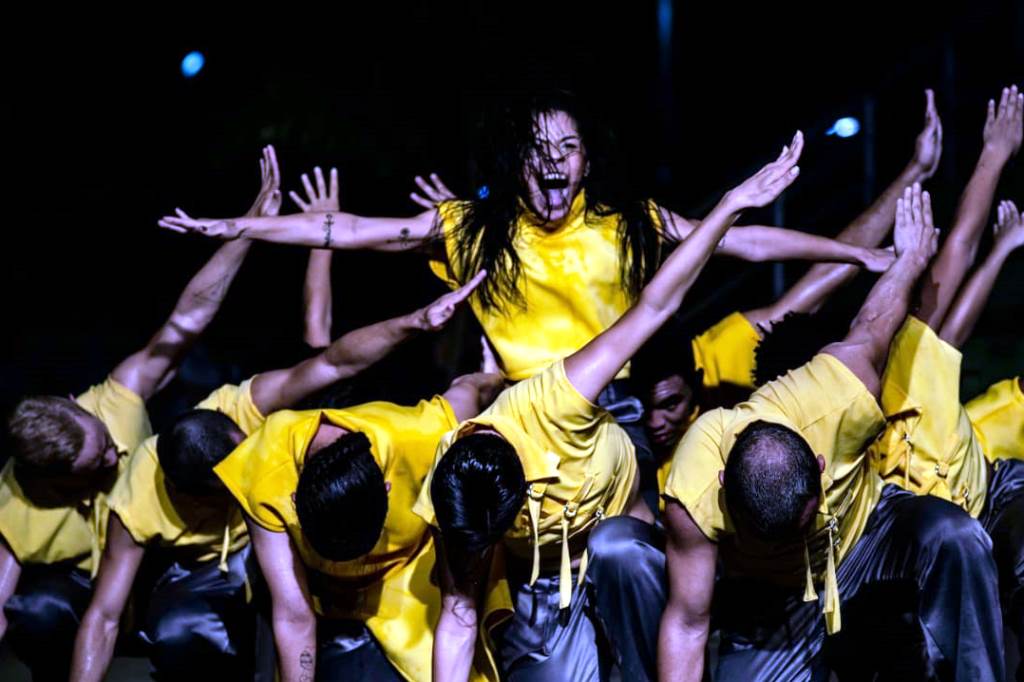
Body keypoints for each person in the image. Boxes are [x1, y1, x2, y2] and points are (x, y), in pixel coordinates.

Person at [158, 93, 892, 521]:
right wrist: (239, 226)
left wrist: (852, 253)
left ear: (584, 161)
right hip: (516, 418)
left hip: (616, 416)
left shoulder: (626, 220)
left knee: (632, 545)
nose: (552, 159)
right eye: (539, 147)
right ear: (519, 161)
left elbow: (743, 243)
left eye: (567, 147)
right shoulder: (473, 229)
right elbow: (346, 231)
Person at [70, 160, 490, 681]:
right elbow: (291, 617)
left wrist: (410, 315)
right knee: (225, 625)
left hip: (377, 526)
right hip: (276, 571)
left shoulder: (282, 413)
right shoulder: (248, 475)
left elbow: (327, 350)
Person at [413, 133, 805, 682]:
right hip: (547, 585)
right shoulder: (457, 497)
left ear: (524, 484)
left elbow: (655, 304)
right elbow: (456, 620)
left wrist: (730, 207)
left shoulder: (555, 398)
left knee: (616, 547)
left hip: (628, 539)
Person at [659, 183, 1005, 681]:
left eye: (798, 525)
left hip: (864, 531)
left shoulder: (835, 394)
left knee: (955, 535)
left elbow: (874, 322)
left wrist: (908, 260)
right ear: (724, 493)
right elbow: (688, 625)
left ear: (820, 466)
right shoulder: (692, 493)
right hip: (778, 595)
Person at [0, 145, 280, 681]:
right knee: (33, 613)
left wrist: (245, 230)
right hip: (89, 592)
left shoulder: (116, 402)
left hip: (158, 568)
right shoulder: (16, 503)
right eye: (100, 461)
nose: (114, 452)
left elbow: (187, 321)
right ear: (58, 483)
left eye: (104, 439)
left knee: (191, 631)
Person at [631, 89, 944, 498]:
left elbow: (813, 282)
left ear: (696, 380)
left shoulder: (716, 351)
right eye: (648, 408)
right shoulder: (640, 442)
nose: (656, 421)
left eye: (669, 405)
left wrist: (912, 176)